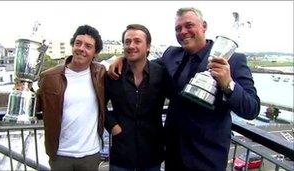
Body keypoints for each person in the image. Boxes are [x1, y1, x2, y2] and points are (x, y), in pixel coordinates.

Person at [108, 7, 260, 171]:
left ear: (204, 26)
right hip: (173, 157)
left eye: (189, 25)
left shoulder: (232, 60)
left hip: (207, 159)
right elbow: (143, 64)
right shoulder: (171, 55)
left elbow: (252, 109)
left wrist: (228, 84)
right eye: (178, 28)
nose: (183, 31)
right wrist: (123, 57)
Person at [36, 25, 106, 171]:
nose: (81, 48)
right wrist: (23, 89)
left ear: (95, 52)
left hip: (90, 154)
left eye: (88, 46)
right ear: (72, 45)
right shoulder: (49, 77)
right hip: (60, 155)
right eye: (78, 43)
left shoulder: (101, 74)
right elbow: (35, 108)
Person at [105, 24, 171, 171]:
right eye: (127, 42)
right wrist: (113, 126)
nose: (131, 45)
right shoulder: (113, 75)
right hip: (121, 153)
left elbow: (177, 100)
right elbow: (98, 105)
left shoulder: (161, 73)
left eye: (137, 41)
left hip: (152, 152)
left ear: (148, 46)